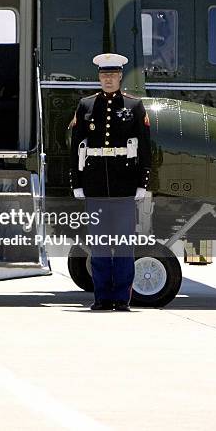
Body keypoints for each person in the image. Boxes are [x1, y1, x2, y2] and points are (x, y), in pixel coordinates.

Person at [69, 53, 152, 312]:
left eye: (112, 75)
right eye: (104, 75)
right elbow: (76, 146)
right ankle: (102, 297)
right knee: (100, 244)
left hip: (124, 186)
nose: (108, 79)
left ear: (120, 77)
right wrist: (77, 182)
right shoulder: (86, 105)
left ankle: (121, 298)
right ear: (99, 77)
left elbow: (145, 148)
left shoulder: (134, 106)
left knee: (124, 245)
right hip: (95, 187)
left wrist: (142, 183)